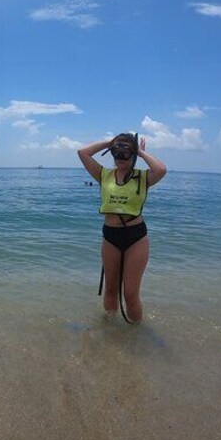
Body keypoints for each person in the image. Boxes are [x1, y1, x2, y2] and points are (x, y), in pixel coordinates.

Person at [77, 132, 167, 323]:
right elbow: (83, 153)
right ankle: (110, 330)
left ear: (132, 155)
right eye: (116, 153)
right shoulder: (104, 175)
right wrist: (110, 142)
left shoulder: (142, 178)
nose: (120, 158)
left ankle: (136, 334)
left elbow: (161, 169)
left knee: (130, 294)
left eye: (125, 153)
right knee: (110, 289)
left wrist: (141, 152)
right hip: (110, 236)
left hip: (136, 237)